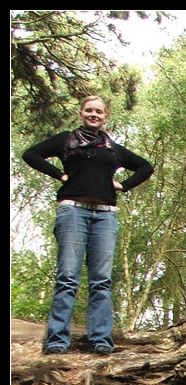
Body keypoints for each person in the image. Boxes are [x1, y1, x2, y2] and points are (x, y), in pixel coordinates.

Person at [23, 95, 154, 355]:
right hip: (72, 211)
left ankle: (101, 341)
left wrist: (123, 185)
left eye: (99, 112)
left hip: (105, 215)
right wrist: (59, 174)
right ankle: (57, 341)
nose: (94, 115)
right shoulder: (66, 140)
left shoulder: (112, 148)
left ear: (106, 116)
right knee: (67, 278)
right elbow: (31, 154)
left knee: (101, 281)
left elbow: (145, 166)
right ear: (82, 113)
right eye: (89, 110)